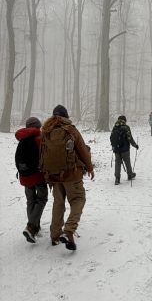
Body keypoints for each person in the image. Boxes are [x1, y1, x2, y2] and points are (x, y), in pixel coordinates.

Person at [40, 104, 94, 251]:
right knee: (78, 199)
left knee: (58, 203)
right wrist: (90, 167)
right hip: (72, 174)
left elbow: (42, 154)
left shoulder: (46, 131)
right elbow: (82, 150)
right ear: (65, 116)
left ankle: (55, 235)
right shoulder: (71, 130)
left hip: (54, 176)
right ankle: (69, 229)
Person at [15, 117, 47, 243]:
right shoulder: (39, 139)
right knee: (42, 199)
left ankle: (34, 228)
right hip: (38, 175)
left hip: (25, 176)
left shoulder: (22, 139)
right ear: (38, 126)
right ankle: (31, 225)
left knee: (31, 201)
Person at [110, 115, 138, 185]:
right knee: (127, 162)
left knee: (117, 163)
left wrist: (114, 147)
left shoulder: (115, 127)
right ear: (125, 120)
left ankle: (117, 178)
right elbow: (130, 138)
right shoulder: (126, 127)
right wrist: (135, 145)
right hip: (125, 149)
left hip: (116, 149)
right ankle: (130, 175)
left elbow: (111, 138)